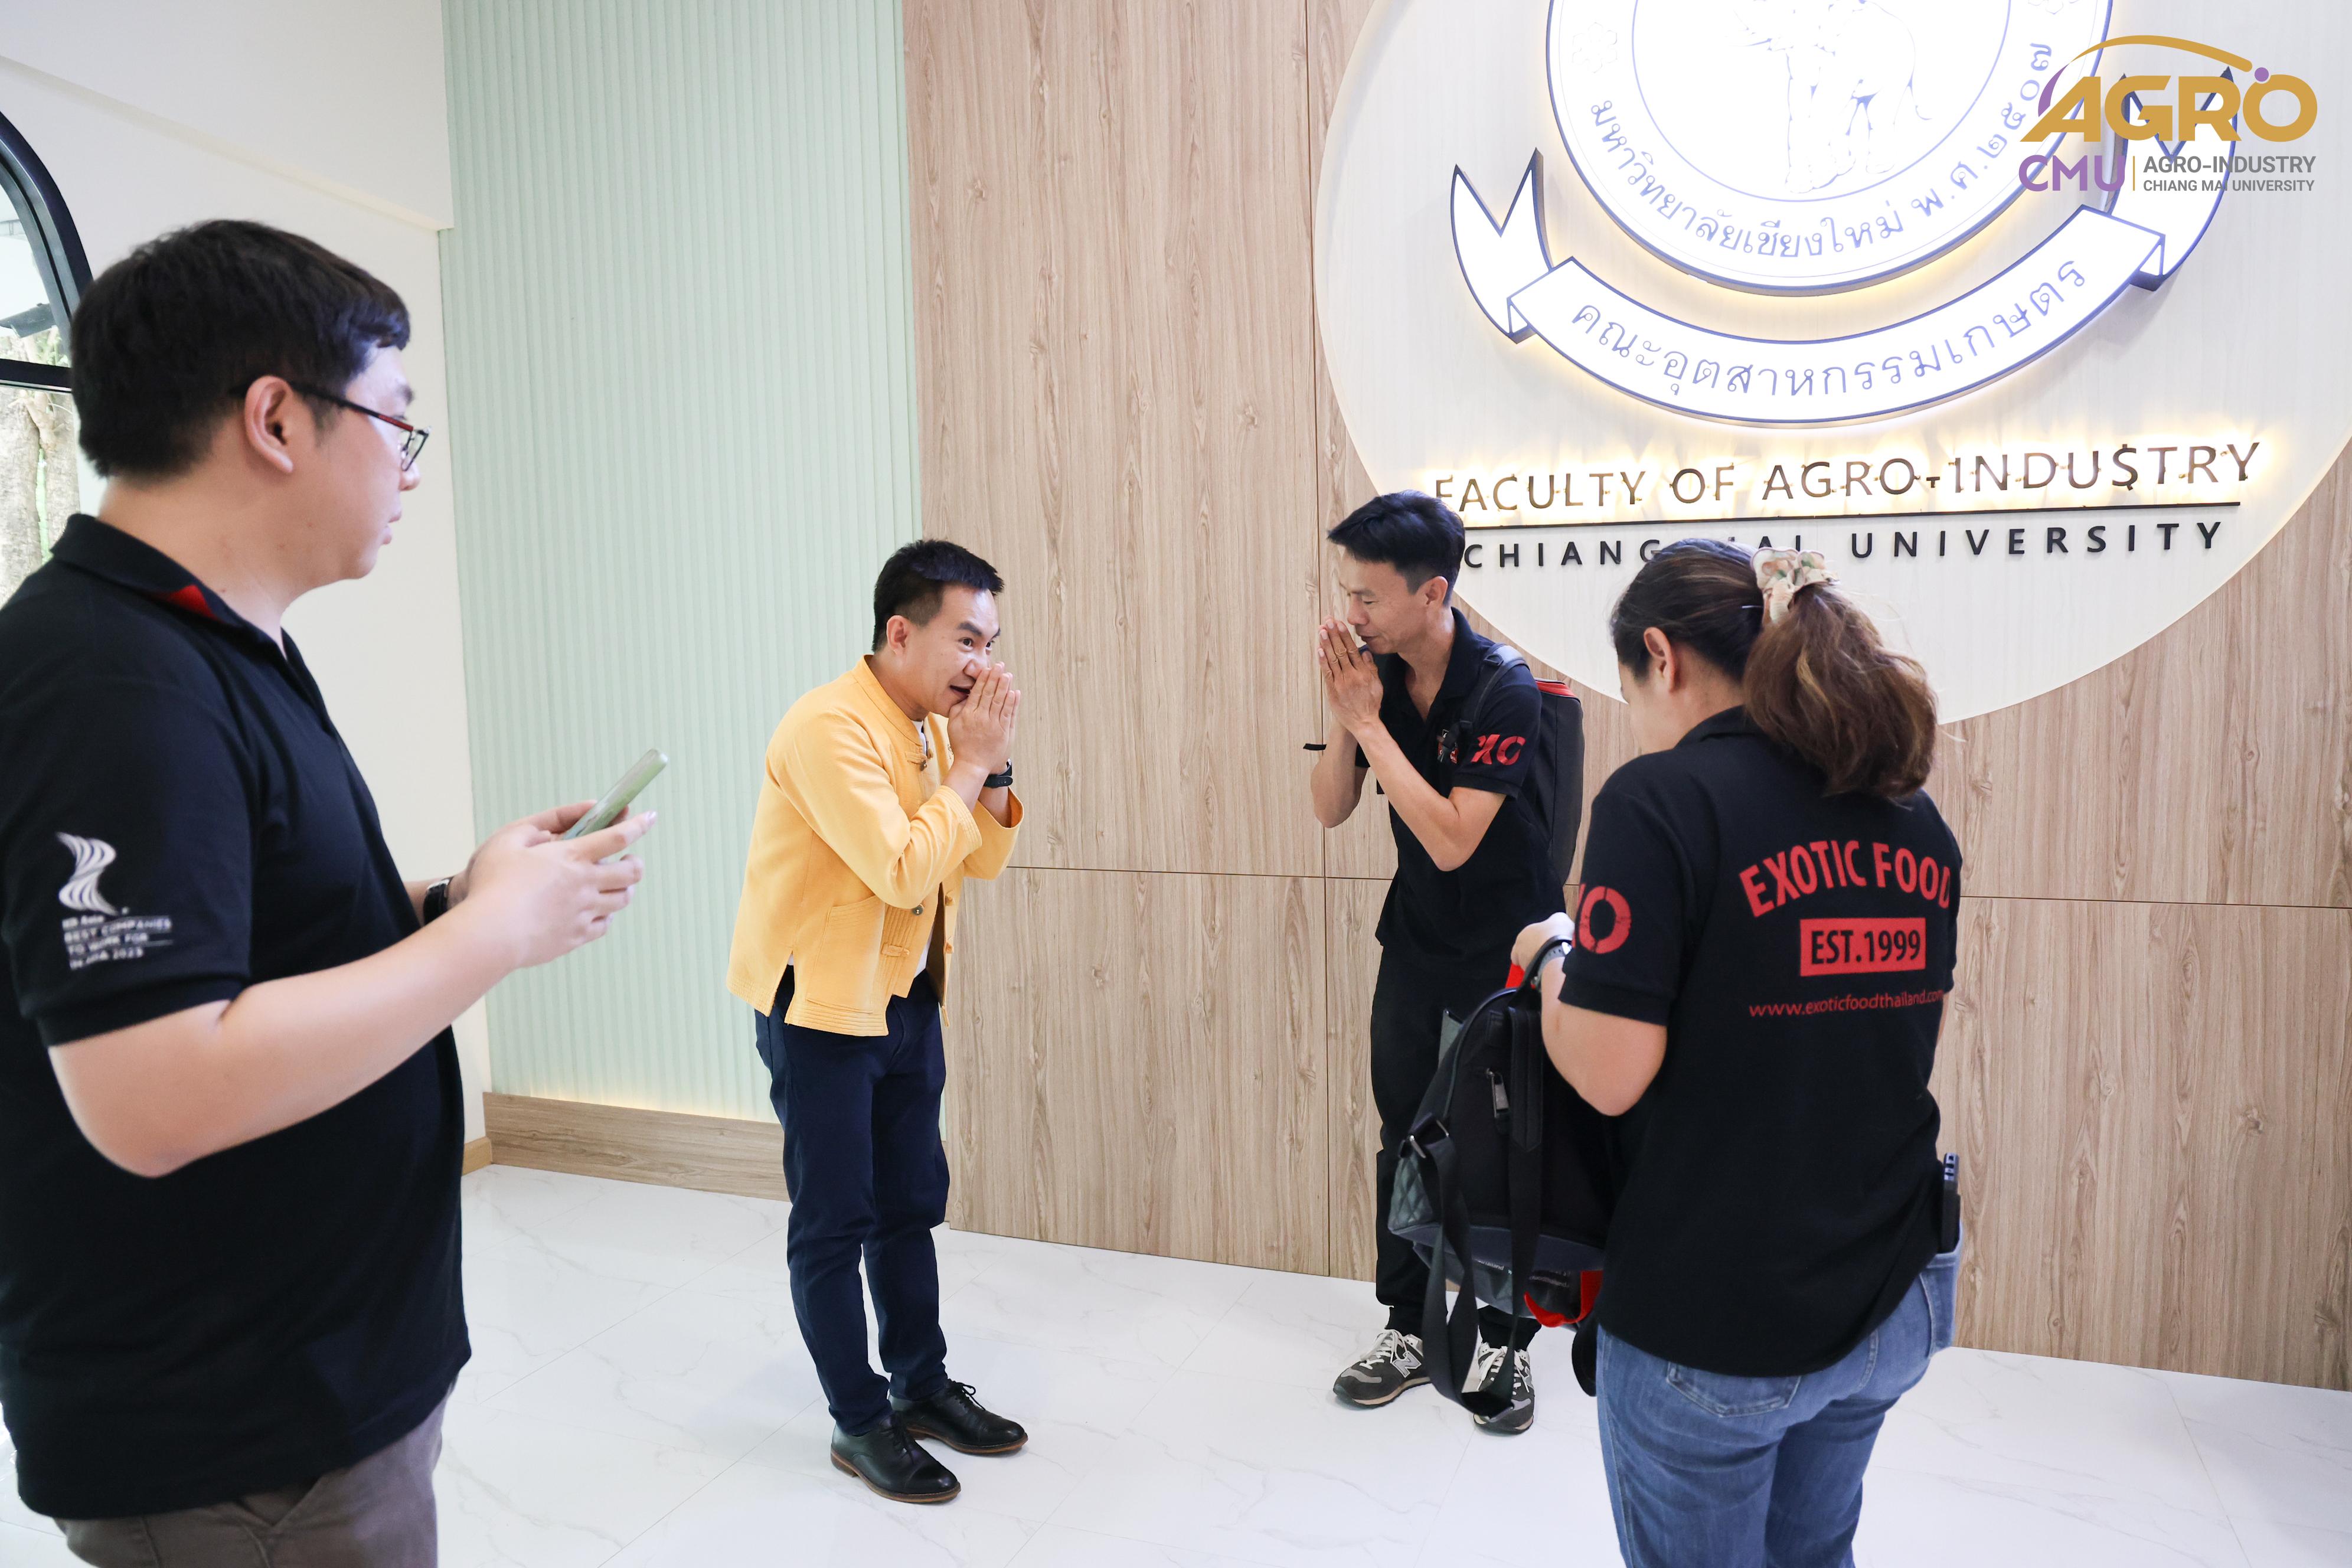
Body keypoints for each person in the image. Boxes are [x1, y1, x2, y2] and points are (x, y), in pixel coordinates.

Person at [0, 221, 652, 1566]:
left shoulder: (210, 644)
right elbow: (156, 1092)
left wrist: (452, 898)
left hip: (311, 1382)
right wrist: (488, 938)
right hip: (236, 1436)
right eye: (396, 422)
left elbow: (244, 940)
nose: (408, 468)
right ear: (278, 420)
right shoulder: (111, 678)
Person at [1512, 541, 1962, 1568]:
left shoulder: (1659, 801)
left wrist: (1548, 959)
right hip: (1890, 1294)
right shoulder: (1910, 812)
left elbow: (1610, 1073)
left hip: (1717, 1315)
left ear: (1661, 657)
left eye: (1630, 688)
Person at [727, 540, 1027, 1505]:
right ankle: (859, 1421)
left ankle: (921, 1385)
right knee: (835, 1220)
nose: (981, 664)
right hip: (821, 1008)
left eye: (990, 644)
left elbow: (979, 859)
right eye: (965, 640)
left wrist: (989, 763)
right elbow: (902, 869)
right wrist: (970, 764)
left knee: (909, 1205)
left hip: (905, 997)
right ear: (901, 633)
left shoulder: (935, 729)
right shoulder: (828, 727)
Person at [1310, 491, 1566, 1433]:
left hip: (1507, 954)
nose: (1353, 614)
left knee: (1507, 1147)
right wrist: (1349, 718)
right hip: (1416, 943)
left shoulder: (1503, 687)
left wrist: (1373, 724)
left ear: (1432, 593)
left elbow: (1456, 838)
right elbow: (1330, 807)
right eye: (1347, 593)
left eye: (1368, 597)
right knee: (1404, 1137)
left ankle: (1504, 1338)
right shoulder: (1372, 676)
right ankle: (1408, 1327)